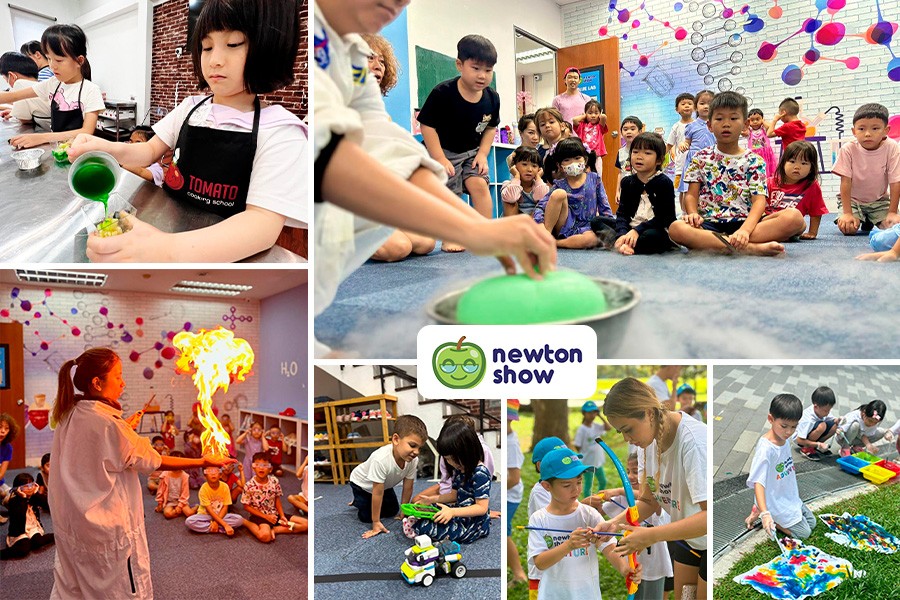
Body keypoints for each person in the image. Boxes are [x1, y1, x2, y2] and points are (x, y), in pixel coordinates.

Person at [314, 0, 557, 352]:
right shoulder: (314, 35)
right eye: (476, 67)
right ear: (460, 65)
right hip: (440, 155)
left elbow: (381, 141)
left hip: (468, 155)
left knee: (425, 235)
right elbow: (329, 156)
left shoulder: (353, 54)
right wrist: (467, 226)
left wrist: (482, 228)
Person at [67, 0, 308, 263]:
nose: (214, 60)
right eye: (206, 47)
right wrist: (104, 147)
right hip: (166, 223)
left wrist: (166, 250)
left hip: (218, 255)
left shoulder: (282, 131)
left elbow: (261, 226)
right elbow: (148, 151)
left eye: (234, 43)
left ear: (270, 45)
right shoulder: (191, 108)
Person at [49, 347, 234, 598]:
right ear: (97, 382)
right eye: (118, 376)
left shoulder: (71, 411)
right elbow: (154, 461)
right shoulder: (108, 424)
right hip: (106, 526)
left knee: (77, 586)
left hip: (75, 521)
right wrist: (202, 461)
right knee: (118, 589)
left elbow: (96, 448)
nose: (123, 382)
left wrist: (124, 428)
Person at [596, 377, 708, 600]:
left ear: (648, 412)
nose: (627, 439)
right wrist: (613, 523)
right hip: (688, 541)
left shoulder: (694, 442)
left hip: (708, 540)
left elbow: (709, 518)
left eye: (628, 429)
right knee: (686, 597)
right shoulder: (647, 443)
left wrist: (651, 535)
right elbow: (649, 503)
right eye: (620, 433)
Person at [668, 91, 805, 256]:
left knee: (795, 217)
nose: (726, 124)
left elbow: (759, 201)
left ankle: (719, 243)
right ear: (710, 125)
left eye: (733, 118)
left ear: (745, 124)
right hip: (710, 223)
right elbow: (691, 195)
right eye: (719, 119)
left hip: (747, 222)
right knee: (676, 229)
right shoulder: (699, 158)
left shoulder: (755, 160)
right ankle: (749, 248)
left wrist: (745, 231)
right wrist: (693, 214)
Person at [528, 449, 642, 600]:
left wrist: (625, 569)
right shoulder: (539, 519)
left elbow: (609, 548)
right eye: (567, 485)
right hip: (552, 594)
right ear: (547, 486)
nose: (576, 489)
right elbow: (540, 563)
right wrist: (568, 545)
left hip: (587, 594)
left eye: (579, 481)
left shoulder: (589, 514)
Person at [418, 34, 500, 230]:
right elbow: (427, 126)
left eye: (488, 70)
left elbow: (490, 127)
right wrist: (439, 157)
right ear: (459, 65)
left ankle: (485, 233)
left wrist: (482, 153)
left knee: (479, 185)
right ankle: (451, 234)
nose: (482, 75)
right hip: (445, 150)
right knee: (450, 192)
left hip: (472, 151)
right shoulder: (443, 93)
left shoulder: (492, 97)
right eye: (476, 68)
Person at [0, 25, 103, 149]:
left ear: (79, 61)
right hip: (57, 149)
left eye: (59, 60)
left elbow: (86, 131)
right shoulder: (52, 84)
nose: (52, 66)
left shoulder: (91, 90)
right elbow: (14, 96)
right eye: (49, 58)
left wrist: (42, 137)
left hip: (79, 150)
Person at [598, 452, 673, 600]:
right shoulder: (623, 498)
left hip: (655, 564)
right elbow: (600, 510)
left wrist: (620, 490)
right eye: (628, 471)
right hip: (633, 565)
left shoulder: (655, 498)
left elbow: (651, 500)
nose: (631, 476)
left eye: (636, 472)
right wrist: (594, 500)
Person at [403, 421, 490, 543]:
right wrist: (432, 500)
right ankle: (418, 524)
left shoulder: (480, 473)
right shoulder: (459, 470)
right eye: (447, 459)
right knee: (426, 508)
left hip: (473, 524)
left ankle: (418, 528)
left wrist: (452, 512)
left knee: (427, 526)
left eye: (453, 459)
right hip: (459, 512)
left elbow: (482, 508)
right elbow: (454, 496)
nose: (451, 463)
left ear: (468, 451)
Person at [745, 394, 816, 540]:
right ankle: (769, 516)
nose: (789, 432)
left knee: (812, 523)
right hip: (774, 501)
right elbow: (758, 482)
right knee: (804, 533)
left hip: (788, 496)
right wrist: (765, 514)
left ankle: (760, 509)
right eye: (784, 426)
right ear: (771, 419)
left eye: (794, 427)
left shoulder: (784, 439)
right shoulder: (766, 449)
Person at [348, 414, 427, 538]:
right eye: (412, 445)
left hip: (384, 485)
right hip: (361, 484)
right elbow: (377, 493)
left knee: (392, 511)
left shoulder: (412, 460)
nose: (416, 452)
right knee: (366, 517)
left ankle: (364, 501)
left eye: (419, 448)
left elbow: (408, 487)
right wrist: (376, 522)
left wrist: (404, 511)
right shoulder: (380, 459)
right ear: (396, 439)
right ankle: (358, 500)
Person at [833, 102, 900, 235]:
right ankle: (862, 218)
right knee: (849, 228)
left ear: (886, 130)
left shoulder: (892, 147)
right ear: (854, 131)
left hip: (879, 202)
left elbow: (895, 181)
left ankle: (870, 219)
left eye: (875, 128)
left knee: (893, 227)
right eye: (861, 129)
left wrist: (892, 212)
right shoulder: (848, 149)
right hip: (853, 201)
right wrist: (847, 213)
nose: (868, 134)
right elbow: (845, 181)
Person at [534, 137, 613, 249]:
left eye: (577, 158)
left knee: (592, 239)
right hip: (563, 226)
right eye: (567, 160)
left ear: (585, 160)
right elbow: (541, 206)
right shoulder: (559, 184)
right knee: (559, 194)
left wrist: (609, 226)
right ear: (560, 166)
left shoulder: (595, 179)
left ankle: (554, 243)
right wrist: (540, 225)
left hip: (587, 228)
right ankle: (545, 237)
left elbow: (604, 206)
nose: (573, 163)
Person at [609, 132, 677, 255]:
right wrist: (622, 233)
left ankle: (626, 244)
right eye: (635, 152)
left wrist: (637, 230)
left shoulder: (664, 182)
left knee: (651, 236)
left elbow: (666, 218)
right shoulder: (627, 182)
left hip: (654, 228)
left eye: (647, 153)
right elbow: (622, 213)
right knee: (598, 222)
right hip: (631, 227)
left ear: (659, 160)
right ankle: (624, 241)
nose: (639, 157)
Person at [526, 437, 572, 600]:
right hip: (541, 571)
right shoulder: (540, 492)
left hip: (559, 564)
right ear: (540, 465)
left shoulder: (564, 490)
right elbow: (558, 517)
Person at [412, 414, 495, 505]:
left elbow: (484, 486)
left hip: (472, 493)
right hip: (453, 490)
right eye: (448, 459)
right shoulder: (449, 454)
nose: (451, 463)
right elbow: (447, 483)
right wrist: (435, 500)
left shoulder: (482, 458)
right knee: (416, 501)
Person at [764, 141, 827, 239]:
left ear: (811, 168)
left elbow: (816, 211)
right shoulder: (770, 182)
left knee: (800, 224)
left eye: (804, 163)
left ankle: (774, 236)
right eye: (792, 161)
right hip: (769, 221)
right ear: (783, 163)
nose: (797, 167)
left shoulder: (811, 186)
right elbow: (758, 206)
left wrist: (812, 232)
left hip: (791, 224)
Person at [242, 452, 307, 542]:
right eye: (257, 465)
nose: (261, 468)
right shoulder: (249, 485)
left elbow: (277, 499)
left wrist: (282, 516)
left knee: (307, 524)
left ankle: (275, 529)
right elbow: (246, 506)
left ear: (270, 469)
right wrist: (266, 517)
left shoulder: (274, 481)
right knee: (265, 536)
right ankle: (246, 523)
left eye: (265, 465)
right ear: (253, 467)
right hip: (259, 516)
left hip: (274, 515)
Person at [0, 473, 55, 560]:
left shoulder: (33, 497)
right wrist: (23, 498)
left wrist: (36, 493)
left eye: (32, 485)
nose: (30, 488)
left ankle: (55, 536)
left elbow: (46, 504)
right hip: (19, 531)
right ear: (18, 488)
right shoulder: (14, 501)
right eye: (26, 486)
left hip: (33, 528)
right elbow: (19, 518)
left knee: (38, 541)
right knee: (23, 548)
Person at [675, 90, 716, 201]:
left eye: (710, 103)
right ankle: (685, 213)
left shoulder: (717, 124)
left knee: (710, 186)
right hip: (694, 160)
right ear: (696, 107)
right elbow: (687, 141)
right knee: (688, 188)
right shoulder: (691, 125)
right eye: (702, 103)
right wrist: (683, 144)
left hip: (712, 159)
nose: (706, 106)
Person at [185, 466, 244, 535]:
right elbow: (210, 511)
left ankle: (212, 527)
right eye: (209, 471)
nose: (213, 474)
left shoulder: (225, 487)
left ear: (220, 475)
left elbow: (225, 507)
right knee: (189, 521)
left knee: (239, 519)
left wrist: (216, 522)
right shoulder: (203, 489)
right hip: (206, 515)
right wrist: (225, 525)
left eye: (216, 471)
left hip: (221, 515)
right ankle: (219, 528)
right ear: (205, 476)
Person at [0, 52, 51, 129]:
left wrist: (17, 113)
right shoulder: (39, 85)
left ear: (12, 76)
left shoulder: (19, 83)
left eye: (5, 79)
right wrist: (14, 111)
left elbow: (25, 120)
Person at [507, 405, 527, 587]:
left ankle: (519, 574)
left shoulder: (510, 443)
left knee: (505, 535)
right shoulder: (507, 438)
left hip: (510, 496)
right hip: (509, 494)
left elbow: (513, 479)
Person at [572, 400, 609, 499]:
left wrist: (600, 416)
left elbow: (608, 427)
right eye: (589, 412)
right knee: (588, 484)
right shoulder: (582, 429)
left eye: (594, 412)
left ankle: (598, 499)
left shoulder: (596, 426)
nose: (592, 415)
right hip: (588, 462)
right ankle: (588, 503)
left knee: (603, 481)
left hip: (597, 462)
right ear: (584, 413)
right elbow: (577, 445)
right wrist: (587, 451)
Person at [501, 146, 550, 217]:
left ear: (539, 169)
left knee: (543, 203)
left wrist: (538, 178)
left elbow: (543, 199)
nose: (530, 169)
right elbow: (512, 198)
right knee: (510, 201)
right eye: (524, 164)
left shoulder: (539, 186)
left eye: (534, 166)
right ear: (514, 166)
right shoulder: (508, 184)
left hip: (534, 221)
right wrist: (516, 176)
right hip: (514, 222)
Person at [794, 386, 839, 460]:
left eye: (829, 410)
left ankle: (817, 447)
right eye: (826, 411)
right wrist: (818, 444)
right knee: (822, 426)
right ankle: (807, 449)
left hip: (812, 434)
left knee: (835, 425)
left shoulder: (821, 409)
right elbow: (799, 440)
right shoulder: (808, 419)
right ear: (816, 407)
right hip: (802, 440)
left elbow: (833, 419)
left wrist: (838, 420)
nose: (828, 413)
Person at [666, 93, 695, 210]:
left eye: (690, 103)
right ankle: (684, 213)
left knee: (694, 189)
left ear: (695, 107)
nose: (687, 106)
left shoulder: (698, 124)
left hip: (695, 163)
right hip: (681, 165)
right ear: (677, 109)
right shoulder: (676, 126)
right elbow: (669, 144)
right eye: (683, 104)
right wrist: (659, 159)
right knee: (682, 190)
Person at [155, 450, 196, 519]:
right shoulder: (165, 474)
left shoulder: (185, 476)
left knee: (189, 513)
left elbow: (185, 494)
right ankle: (178, 512)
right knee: (167, 514)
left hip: (181, 502)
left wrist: (179, 506)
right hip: (169, 501)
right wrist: (160, 502)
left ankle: (196, 507)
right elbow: (160, 490)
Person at [572, 99, 608, 169]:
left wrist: (600, 114)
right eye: (590, 113)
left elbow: (604, 117)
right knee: (584, 173)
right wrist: (584, 116)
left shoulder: (599, 126)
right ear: (585, 113)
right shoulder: (582, 126)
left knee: (598, 175)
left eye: (596, 113)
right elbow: (574, 120)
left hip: (596, 155)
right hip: (584, 155)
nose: (593, 115)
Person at [744, 108, 776, 178]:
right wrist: (746, 124)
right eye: (752, 120)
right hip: (754, 155)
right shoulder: (749, 131)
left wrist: (763, 121)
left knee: (767, 169)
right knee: (757, 171)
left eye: (758, 119)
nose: (755, 122)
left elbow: (771, 127)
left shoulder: (763, 129)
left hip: (766, 154)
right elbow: (743, 133)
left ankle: (769, 182)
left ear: (762, 119)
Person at [0, 412, 20, 509]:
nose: (3, 431)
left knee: (16, 499)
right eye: (0, 427)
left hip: (0, 484)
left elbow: (1, 474)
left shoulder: (8, 448)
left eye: (6, 428)